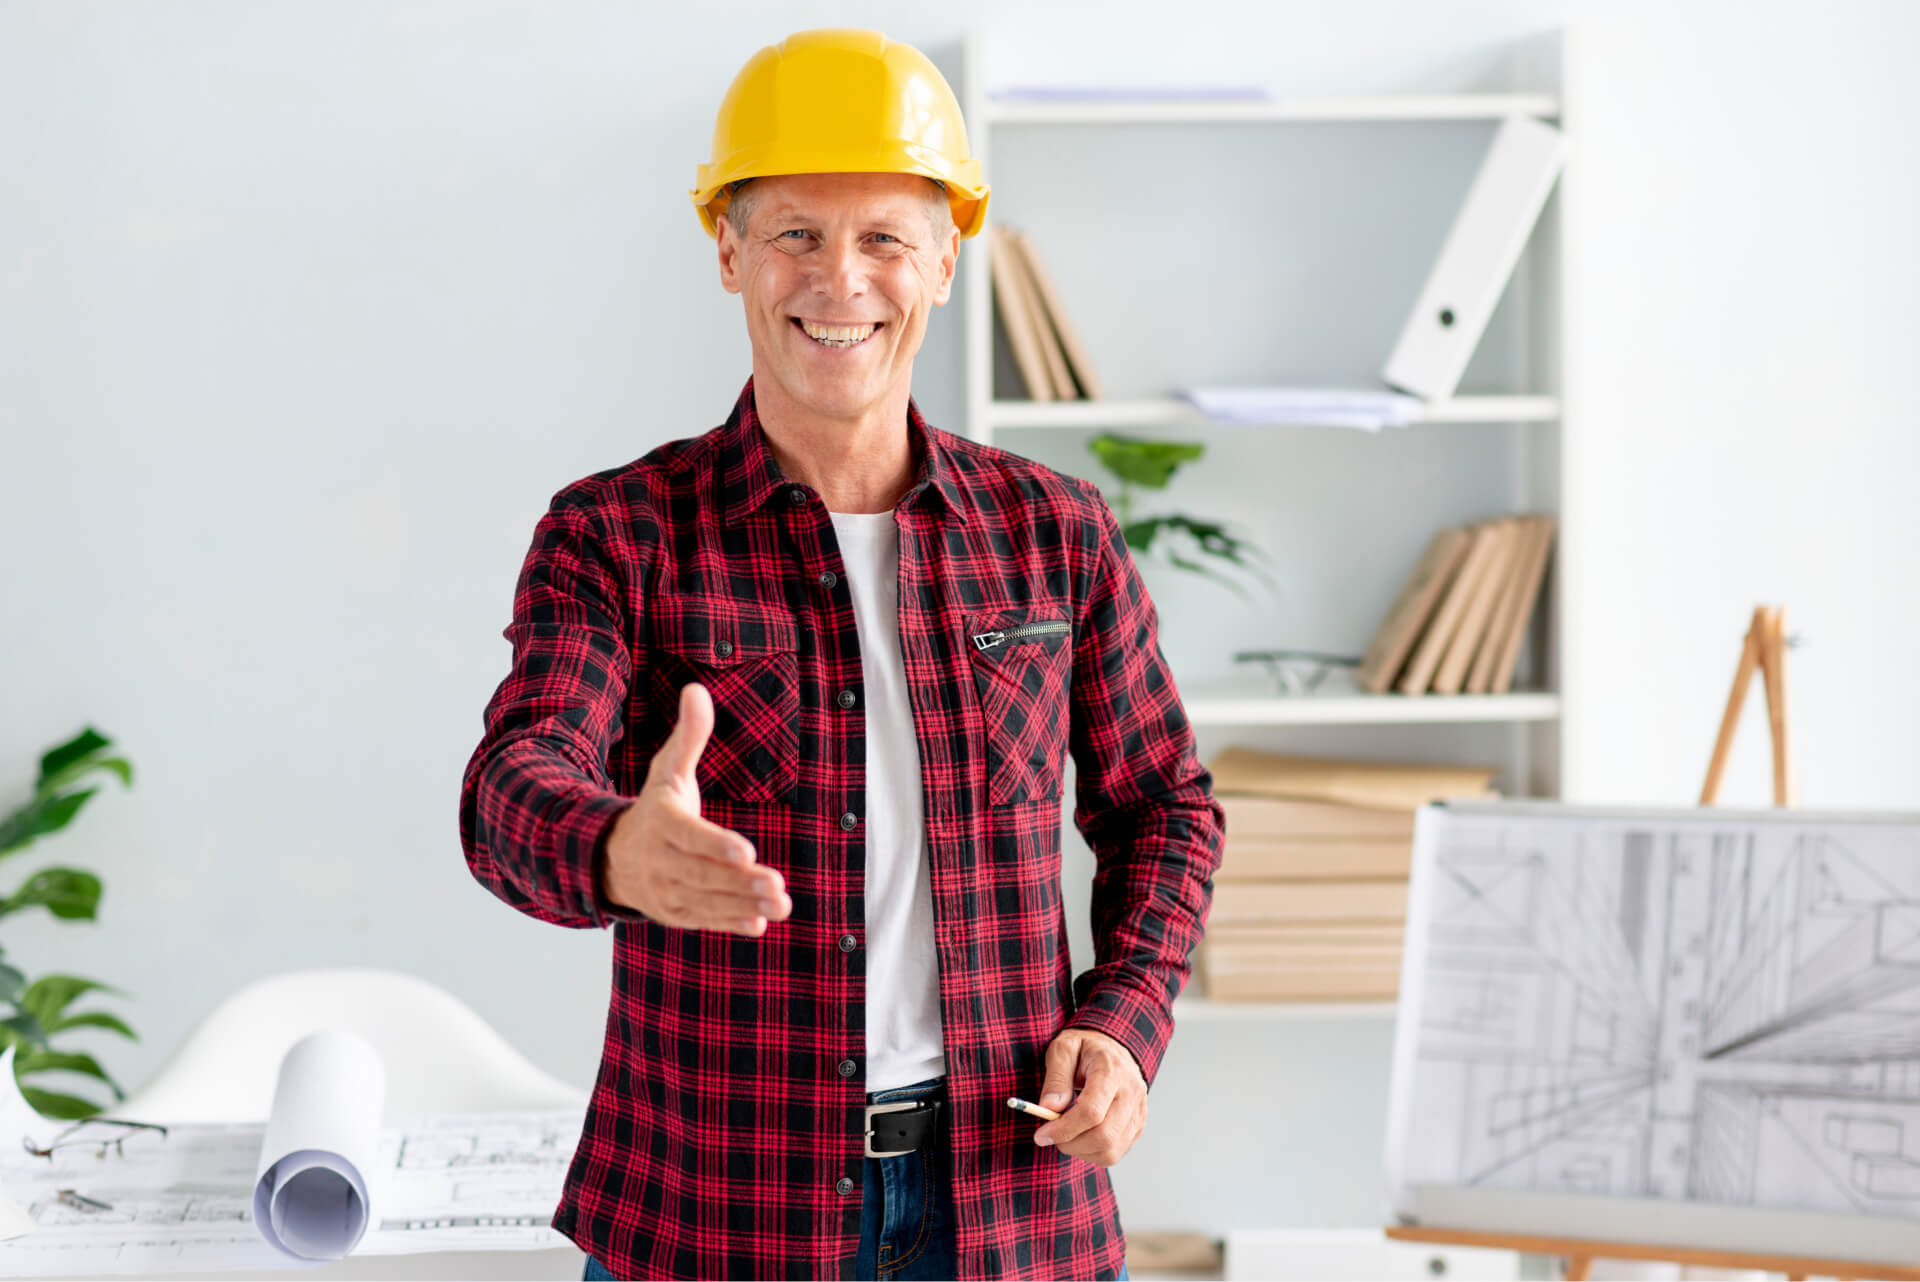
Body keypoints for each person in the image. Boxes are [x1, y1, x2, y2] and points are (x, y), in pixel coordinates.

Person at [458, 27, 1223, 1281]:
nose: (840, 280)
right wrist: (612, 847)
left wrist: (1125, 1025)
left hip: (1009, 1204)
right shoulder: (619, 532)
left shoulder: (1057, 532)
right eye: (796, 235)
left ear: (943, 259)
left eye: (882, 238)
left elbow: (1164, 808)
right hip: (719, 1215)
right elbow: (511, 782)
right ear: (729, 253)